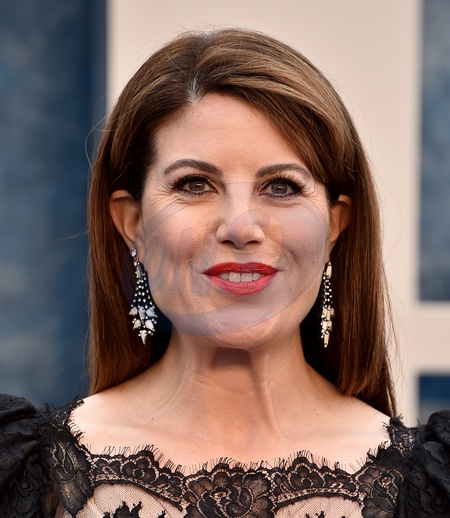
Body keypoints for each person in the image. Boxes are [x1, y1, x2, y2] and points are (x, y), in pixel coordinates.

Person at [0, 28, 449, 518]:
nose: (240, 227)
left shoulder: (435, 483)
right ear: (133, 224)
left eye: (281, 186)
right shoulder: (21, 471)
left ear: (335, 227)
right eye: (195, 184)